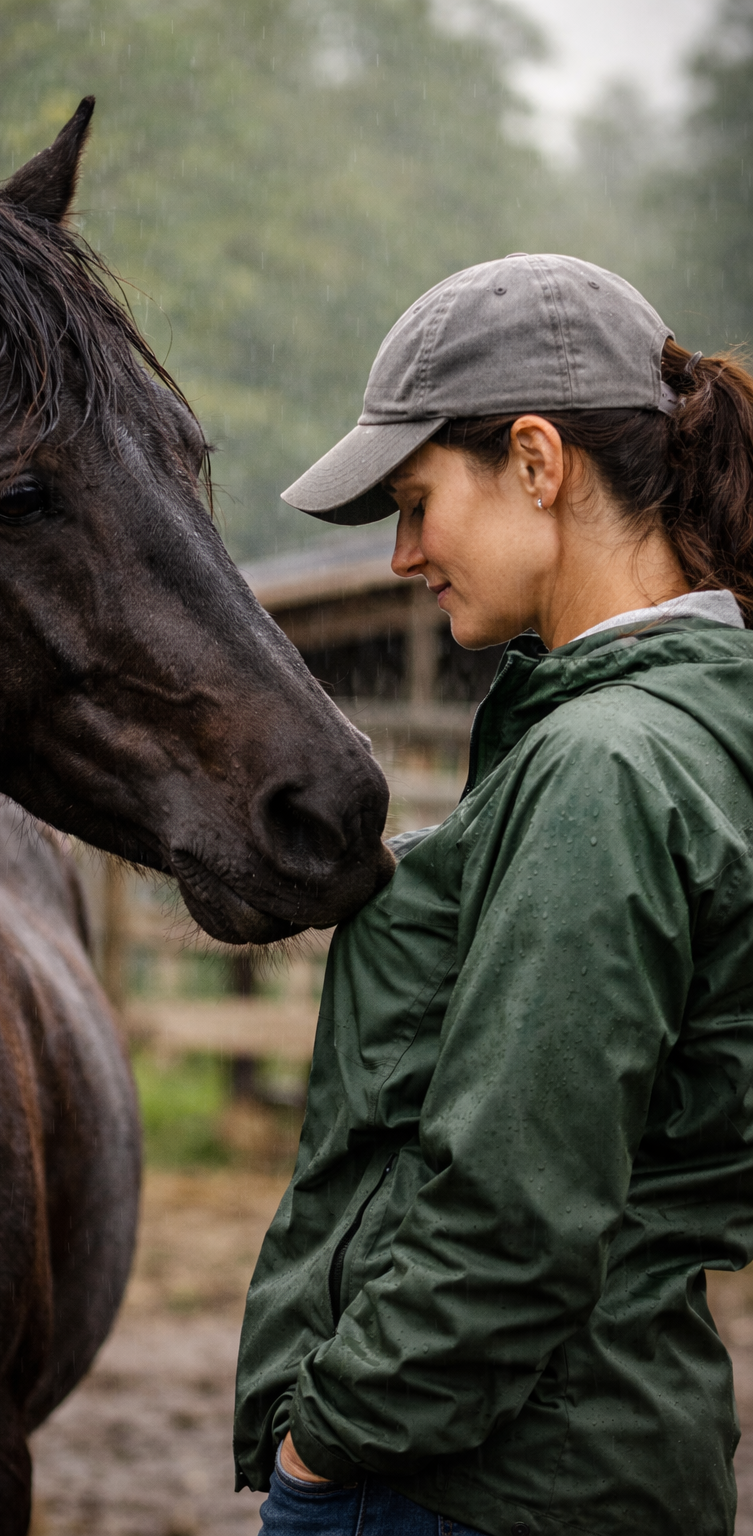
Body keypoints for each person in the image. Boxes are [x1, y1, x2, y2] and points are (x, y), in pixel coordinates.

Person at [232, 253, 753, 1536]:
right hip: (602, 1447)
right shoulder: (686, 728)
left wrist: (329, 1446)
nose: (403, 554)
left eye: (416, 500)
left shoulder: (606, 764)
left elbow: (512, 1203)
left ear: (536, 460)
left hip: (481, 1481)